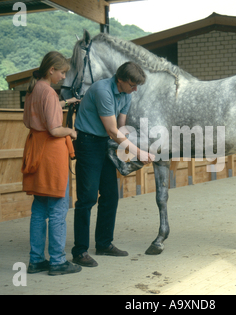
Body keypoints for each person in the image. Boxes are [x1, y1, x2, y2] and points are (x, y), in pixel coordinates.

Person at [72, 61, 155, 267]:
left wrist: (137, 143)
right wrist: (138, 152)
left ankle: (104, 244)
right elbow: (111, 130)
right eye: (132, 85)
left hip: (103, 143)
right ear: (120, 80)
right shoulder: (103, 91)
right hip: (87, 142)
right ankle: (79, 251)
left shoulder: (126, 94)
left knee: (110, 195)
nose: (135, 90)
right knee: (87, 198)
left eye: (137, 86)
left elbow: (121, 127)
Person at [22, 51, 82, 276]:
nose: (65, 77)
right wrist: (71, 132)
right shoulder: (47, 92)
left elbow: (41, 112)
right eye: (63, 72)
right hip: (51, 153)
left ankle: (36, 260)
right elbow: (55, 129)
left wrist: (66, 102)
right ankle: (57, 261)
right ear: (51, 70)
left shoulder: (34, 89)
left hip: (36, 149)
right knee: (58, 208)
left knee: (39, 208)